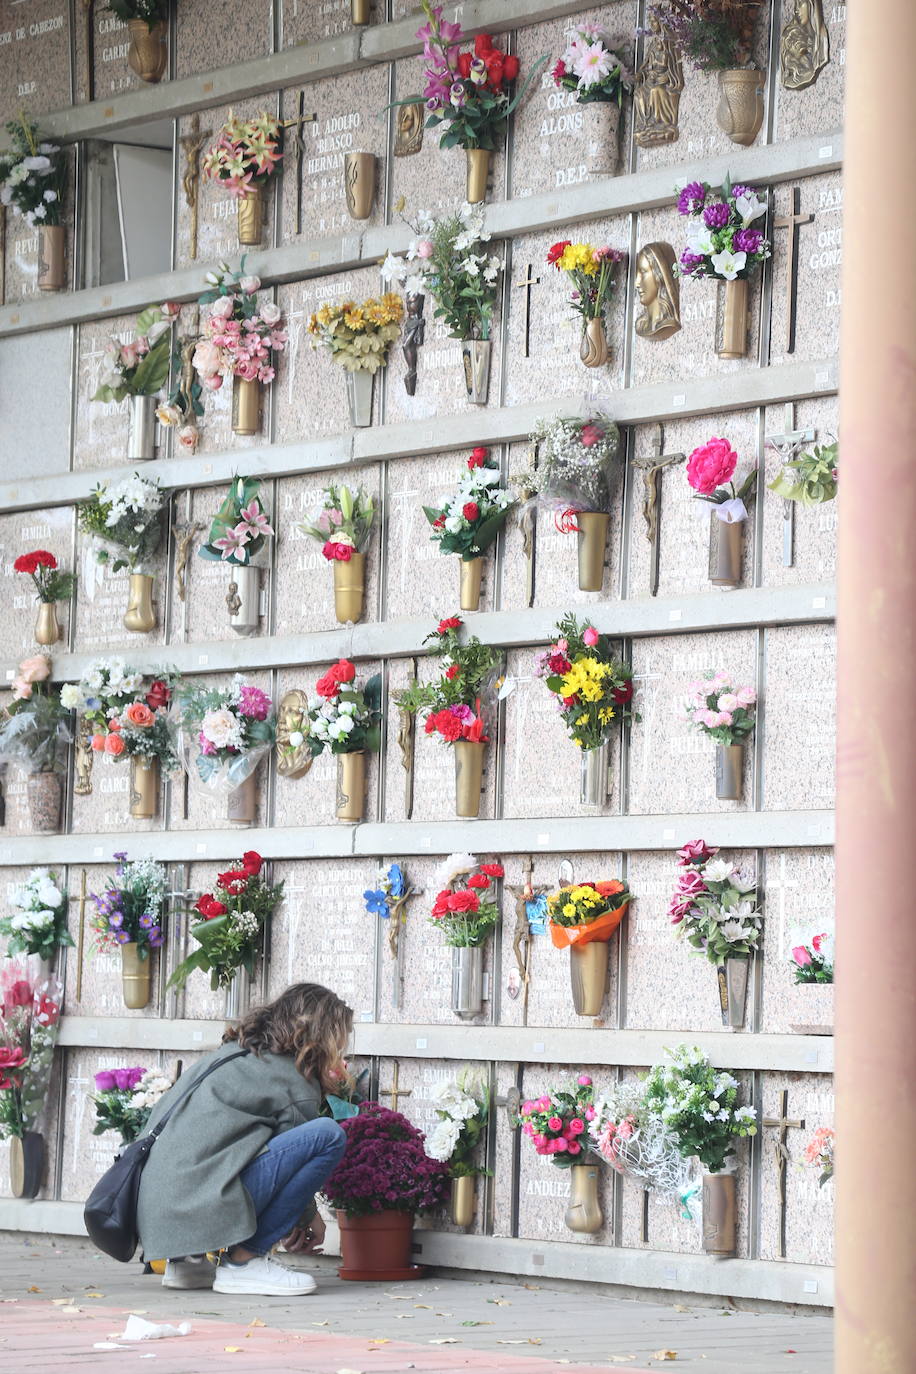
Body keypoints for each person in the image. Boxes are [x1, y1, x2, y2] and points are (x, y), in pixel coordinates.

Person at [135, 983, 350, 1297]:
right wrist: (310, 1218)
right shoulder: (292, 1078)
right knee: (328, 1136)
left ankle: (187, 1262)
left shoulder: (233, 1054)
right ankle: (243, 1262)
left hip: (156, 1214)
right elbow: (294, 1156)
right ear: (324, 1035)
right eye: (341, 1038)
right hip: (195, 1202)